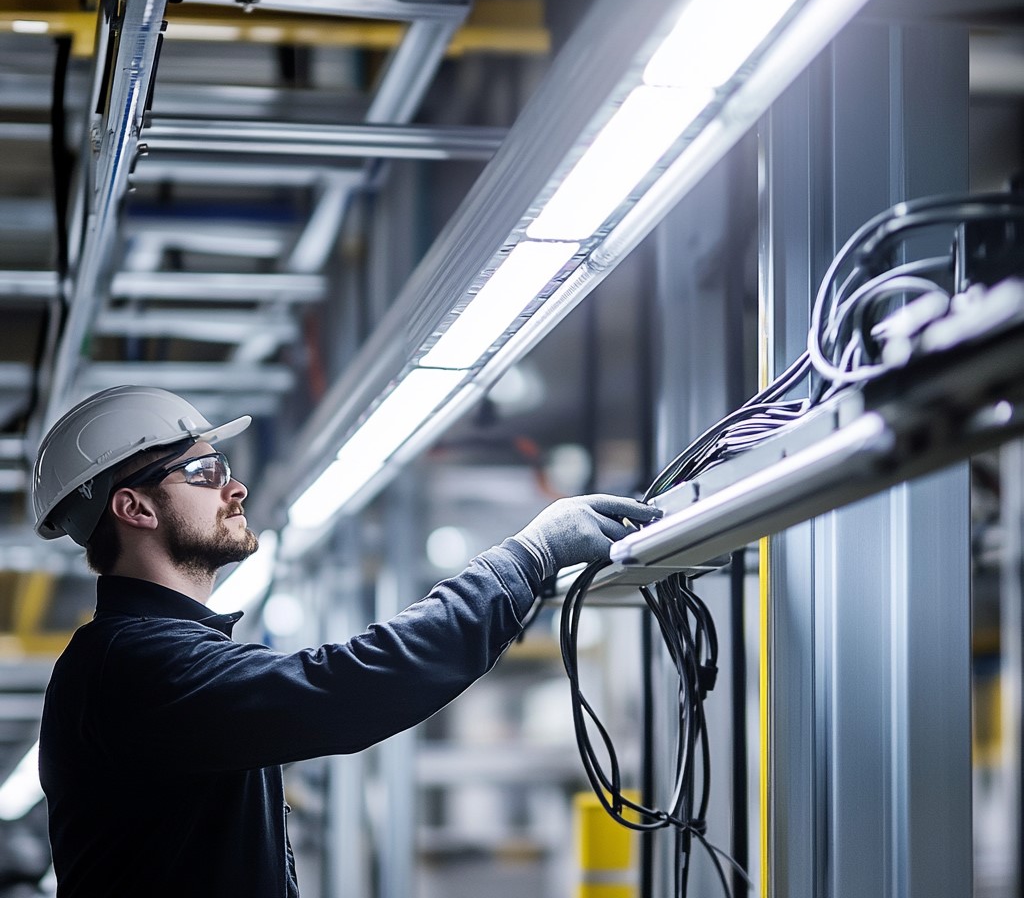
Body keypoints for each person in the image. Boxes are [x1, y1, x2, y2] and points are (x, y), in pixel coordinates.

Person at [30, 384, 659, 897]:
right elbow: (344, 689)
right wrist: (524, 559)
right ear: (135, 509)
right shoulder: (135, 665)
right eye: (203, 470)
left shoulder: (156, 655)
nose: (235, 486)